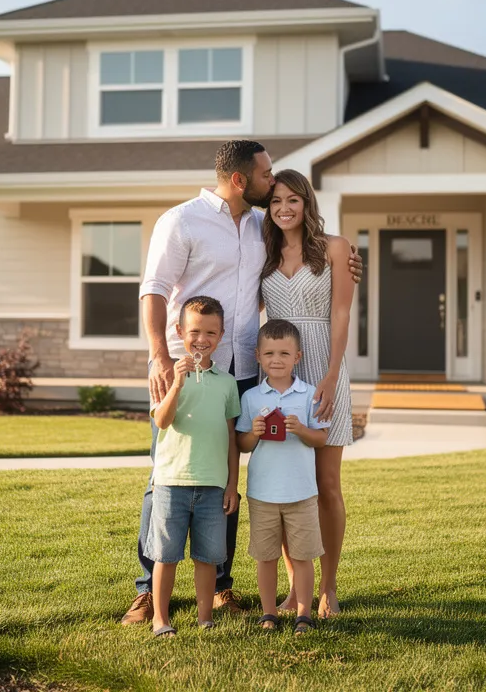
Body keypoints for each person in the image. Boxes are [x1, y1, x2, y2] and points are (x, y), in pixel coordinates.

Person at [123, 140, 363, 627]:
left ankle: (224, 586)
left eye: (280, 185)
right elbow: (153, 289)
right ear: (240, 180)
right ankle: (149, 590)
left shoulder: (262, 227)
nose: (274, 186)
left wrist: (349, 264)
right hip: (191, 366)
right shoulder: (182, 221)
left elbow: (326, 273)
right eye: (266, 178)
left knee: (229, 476)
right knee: (168, 475)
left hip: (251, 368)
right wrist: (157, 356)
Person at [260, 168, 355, 620]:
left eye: (293, 200)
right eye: (276, 200)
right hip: (282, 374)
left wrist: (333, 375)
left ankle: (328, 588)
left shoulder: (335, 248)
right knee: (287, 487)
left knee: (327, 485)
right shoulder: (263, 253)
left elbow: (341, 313)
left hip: (325, 369)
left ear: (307, 202)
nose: (284, 208)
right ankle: (297, 590)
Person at [146, 295, 241, 637]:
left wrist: (232, 484)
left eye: (211, 333)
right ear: (179, 331)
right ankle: (160, 619)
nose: (202, 340)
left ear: (221, 336)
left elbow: (231, 437)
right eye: (195, 331)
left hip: (213, 484)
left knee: (208, 557)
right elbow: (162, 421)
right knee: (166, 555)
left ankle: (205, 618)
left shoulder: (227, 383)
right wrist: (177, 383)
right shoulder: (167, 374)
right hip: (172, 481)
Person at [236, 320, 329, 635]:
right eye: (270, 353)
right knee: (266, 557)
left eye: (285, 353)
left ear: (297, 357)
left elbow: (321, 438)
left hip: (301, 492)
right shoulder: (250, 397)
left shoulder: (308, 395)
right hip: (263, 493)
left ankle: (304, 612)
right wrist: (255, 433)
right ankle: (268, 613)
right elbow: (242, 444)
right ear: (258, 357)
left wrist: (302, 429)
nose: (277, 360)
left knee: (303, 556)